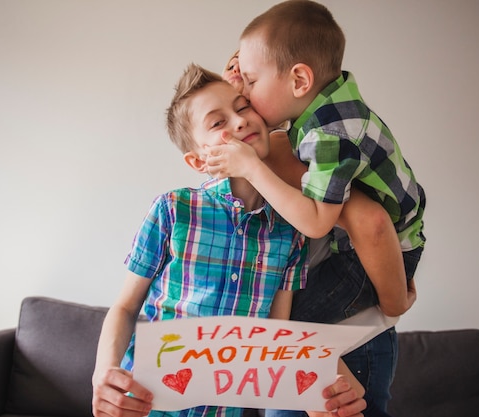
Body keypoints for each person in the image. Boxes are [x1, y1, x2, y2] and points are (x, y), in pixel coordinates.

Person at [91, 63, 368, 417]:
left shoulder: (290, 231)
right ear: (197, 160)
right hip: (142, 405)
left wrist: (322, 398)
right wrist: (104, 374)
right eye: (218, 122)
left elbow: (277, 337)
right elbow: (125, 307)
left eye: (242, 107)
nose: (238, 122)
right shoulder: (173, 209)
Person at [207, 1, 426, 412]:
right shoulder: (316, 109)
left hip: (380, 256)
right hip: (365, 252)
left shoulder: (329, 134)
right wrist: (241, 81)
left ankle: (340, 396)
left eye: (248, 85)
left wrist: (253, 168)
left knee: (288, 326)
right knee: (282, 325)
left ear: (299, 79)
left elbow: (321, 223)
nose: (244, 96)